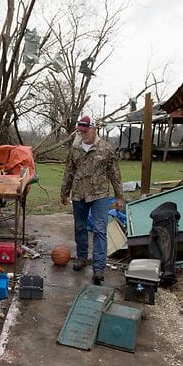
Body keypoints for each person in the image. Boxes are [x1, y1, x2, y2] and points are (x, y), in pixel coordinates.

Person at [60, 116, 123, 284]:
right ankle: (81, 257)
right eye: (80, 131)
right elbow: (69, 171)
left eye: (85, 131)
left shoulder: (106, 148)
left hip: (100, 195)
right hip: (79, 194)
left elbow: (115, 173)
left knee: (100, 229)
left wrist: (119, 196)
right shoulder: (75, 148)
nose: (82, 134)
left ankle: (99, 268)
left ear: (94, 129)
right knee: (80, 227)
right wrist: (64, 193)